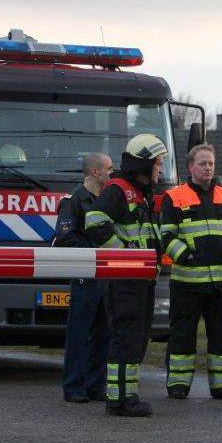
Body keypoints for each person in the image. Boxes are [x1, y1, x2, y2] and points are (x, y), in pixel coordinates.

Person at [83, 134, 167, 417]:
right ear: (143, 164)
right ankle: (120, 400)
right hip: (124, 280)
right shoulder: (118, 189)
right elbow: (94, 222)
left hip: (140, 280)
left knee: (137, 339)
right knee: (126, 339)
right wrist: (125, 254)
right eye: (157, 163)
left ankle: (124, 396)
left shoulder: (141, 192)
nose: (160, 169)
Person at [160, 144, 222, 401]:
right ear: (190, 167)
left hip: (221, 284)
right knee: (182, 336)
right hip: (186, 283)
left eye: (211, 163)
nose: (208, 167)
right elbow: (166, 235)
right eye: (202, 163)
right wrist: (184, 255)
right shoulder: (174, 196)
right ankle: (178, 384)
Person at [55, 152, 115, 403]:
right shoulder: (74, 201)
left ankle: (95, 384)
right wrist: (96, 248)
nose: (113, 173)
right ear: (95, 172)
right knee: (79, 332)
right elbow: (65, 237)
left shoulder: (107, 200)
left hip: (104, 274)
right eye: (109, 169)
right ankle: (73, 386)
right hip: (83, 273)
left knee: (103, 332)